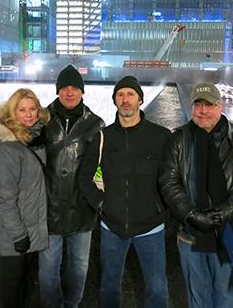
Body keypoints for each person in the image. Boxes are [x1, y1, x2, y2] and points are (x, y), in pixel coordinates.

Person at [159, 82, 233, 308]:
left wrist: (222, 214)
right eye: (198, 104)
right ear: (191, 106)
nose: (203, 110)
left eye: (210, 105)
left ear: (220, 106)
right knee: (197, 295)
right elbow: (169, 182)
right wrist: (191, 215)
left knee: (228, 297)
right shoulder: (178, 139)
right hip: (190, 234)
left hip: (228, 233)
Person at [78, 75, 171, 308]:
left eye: (130, 94)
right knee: (109, 286)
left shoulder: (161, 136)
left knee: (157, 287)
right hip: (112, 226)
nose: (125, 99)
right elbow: (84, 178)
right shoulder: (103, 137)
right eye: (120, 95)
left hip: (151, 226)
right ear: (115, 101)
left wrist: (162, 206)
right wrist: (102, 205)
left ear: (140, 99)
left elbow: (173, 177)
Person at [39, 65, 105, 308]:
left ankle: (72, 304)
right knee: (48, 270)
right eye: (64, 88)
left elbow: (101, 167)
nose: (69, 92)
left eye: (75, 88)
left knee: (79, 267)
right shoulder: (42, 119)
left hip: (82, 208)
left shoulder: (96, 124)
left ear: (82, 92)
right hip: (49, 207)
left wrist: (98, 200)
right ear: (57, 91)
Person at [0, 88, 49, 308]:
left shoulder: (34, 139)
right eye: (22, 110)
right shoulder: (7, 148)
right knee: (11, 294)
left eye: (33, 109)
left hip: (30, 231)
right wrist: (19, 235)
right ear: (13, 113)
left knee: (23, 291)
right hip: (14, 237)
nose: (29, 114)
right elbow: (4, 199)